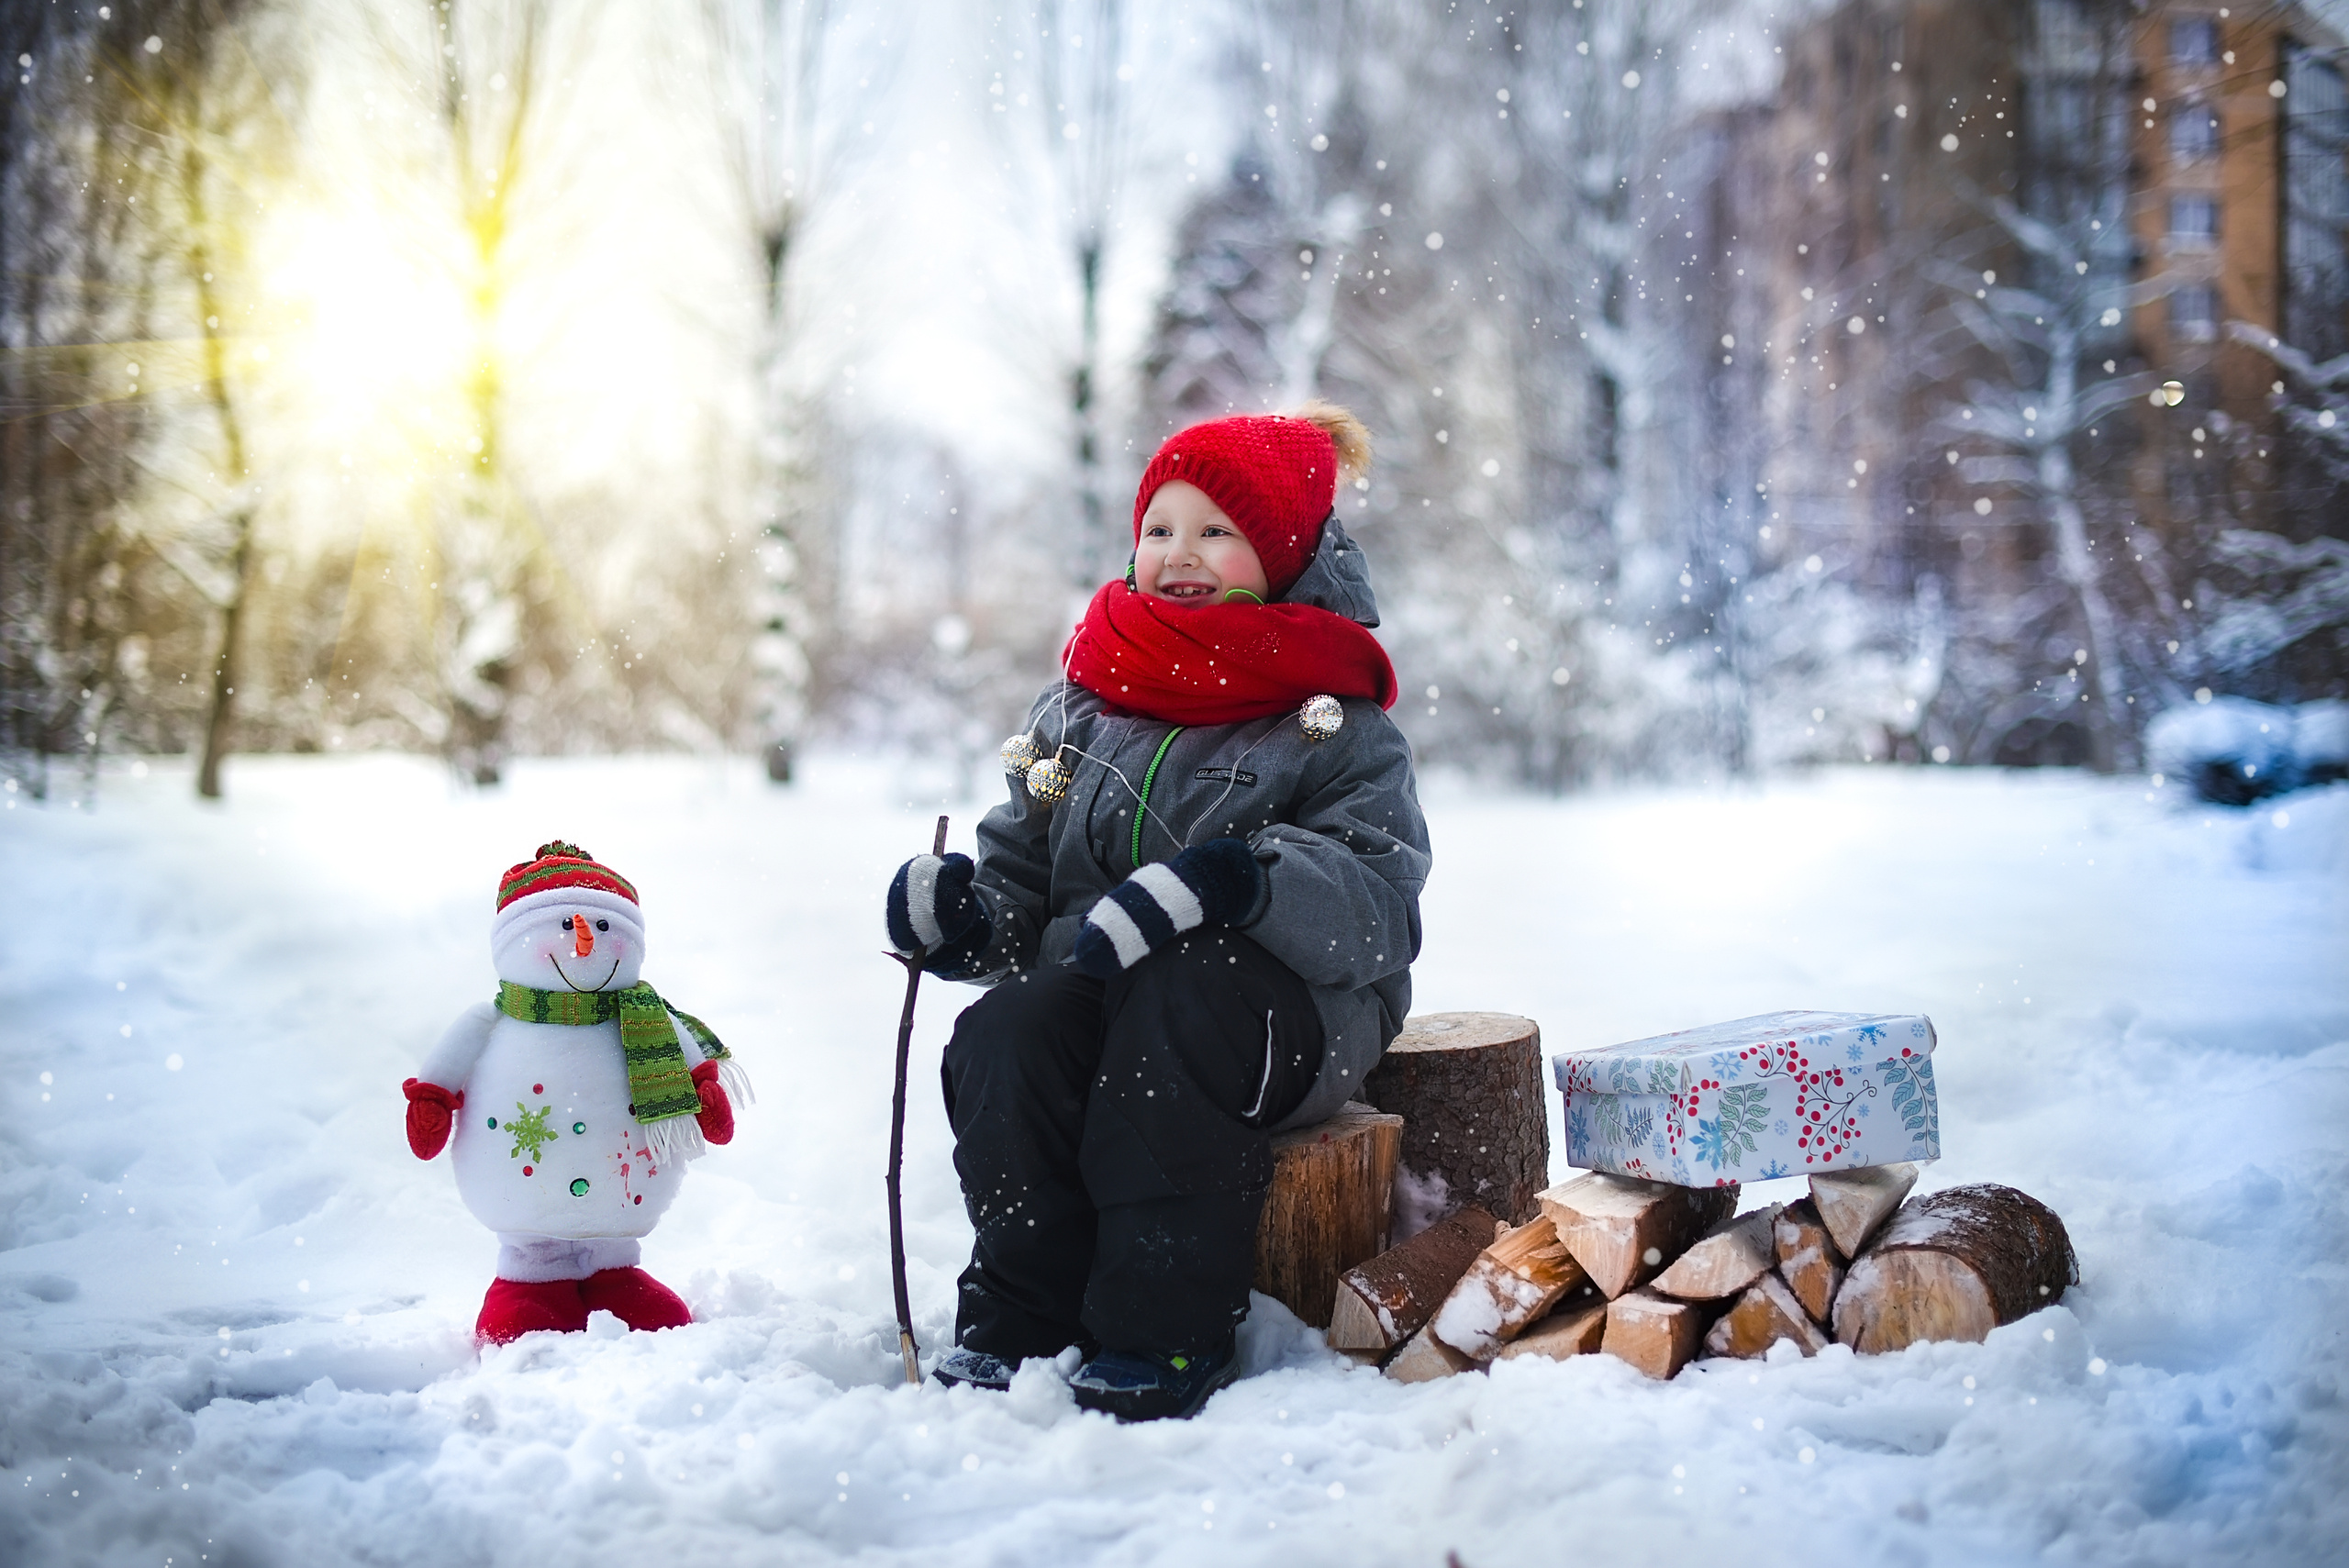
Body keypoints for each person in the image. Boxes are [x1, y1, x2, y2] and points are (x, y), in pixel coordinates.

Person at [885, 403, 1431, 1420]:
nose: (1180, 552)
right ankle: (1022, 1310)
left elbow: (1377, 906)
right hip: (1100, 993)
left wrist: (1241, 881)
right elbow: (1021, 882)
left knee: (1182, 999)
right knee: (1008, 1031)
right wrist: (964, 921)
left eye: (1216, 530)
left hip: (1278, 1016)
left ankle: (1164, 1327)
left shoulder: (1333, 723)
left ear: (1280, 552)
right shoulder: (1083, 705)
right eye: (1160, 528)